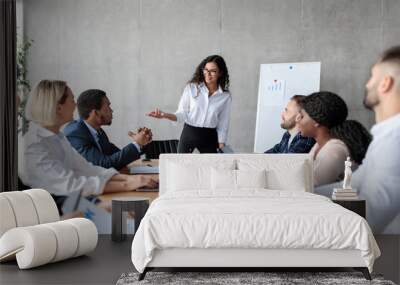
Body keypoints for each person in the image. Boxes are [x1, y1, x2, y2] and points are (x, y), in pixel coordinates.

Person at [20, 80, 158, 199]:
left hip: (68, 201)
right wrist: (128, 183)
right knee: (121, 216)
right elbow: (72, 184)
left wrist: (131, 178)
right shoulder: (35, 144)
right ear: (58, 107)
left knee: (127, 213)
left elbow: (87, 168)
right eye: (72, 100)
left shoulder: (58, 136)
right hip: (52, 209)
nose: (75, 106)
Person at [316, 46, 400, 234]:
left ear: (385, 83)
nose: (368, 84)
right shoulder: (387, 136)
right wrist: (305, 196)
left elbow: (370, 217)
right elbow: (354, 183)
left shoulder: (395, 140)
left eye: (372, 76)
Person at [147, 55, 232, 153]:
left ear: (220, 73)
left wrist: (221, 144)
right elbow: (182, 114)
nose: (208, 74)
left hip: (210, 137)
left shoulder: (225, 97)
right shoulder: (191, 88)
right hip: (189, 133)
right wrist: (164, 115)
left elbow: (223, 123)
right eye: (206, 70)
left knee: (210, 167)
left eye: (213, 71)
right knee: (181, 166)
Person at [296, 91, 371, 187]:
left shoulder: (335, 150)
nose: (297, 119)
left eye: (302, 116)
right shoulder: (318, 145)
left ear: (316, 121)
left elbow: (310, 186)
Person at [64, 89, 151, 170]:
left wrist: (141, 142)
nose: (111, 110)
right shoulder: (75, 133)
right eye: (108, 107)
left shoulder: (98, 131)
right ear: (95, 113)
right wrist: (137, 143)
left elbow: (117, 157)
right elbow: (104, 164)